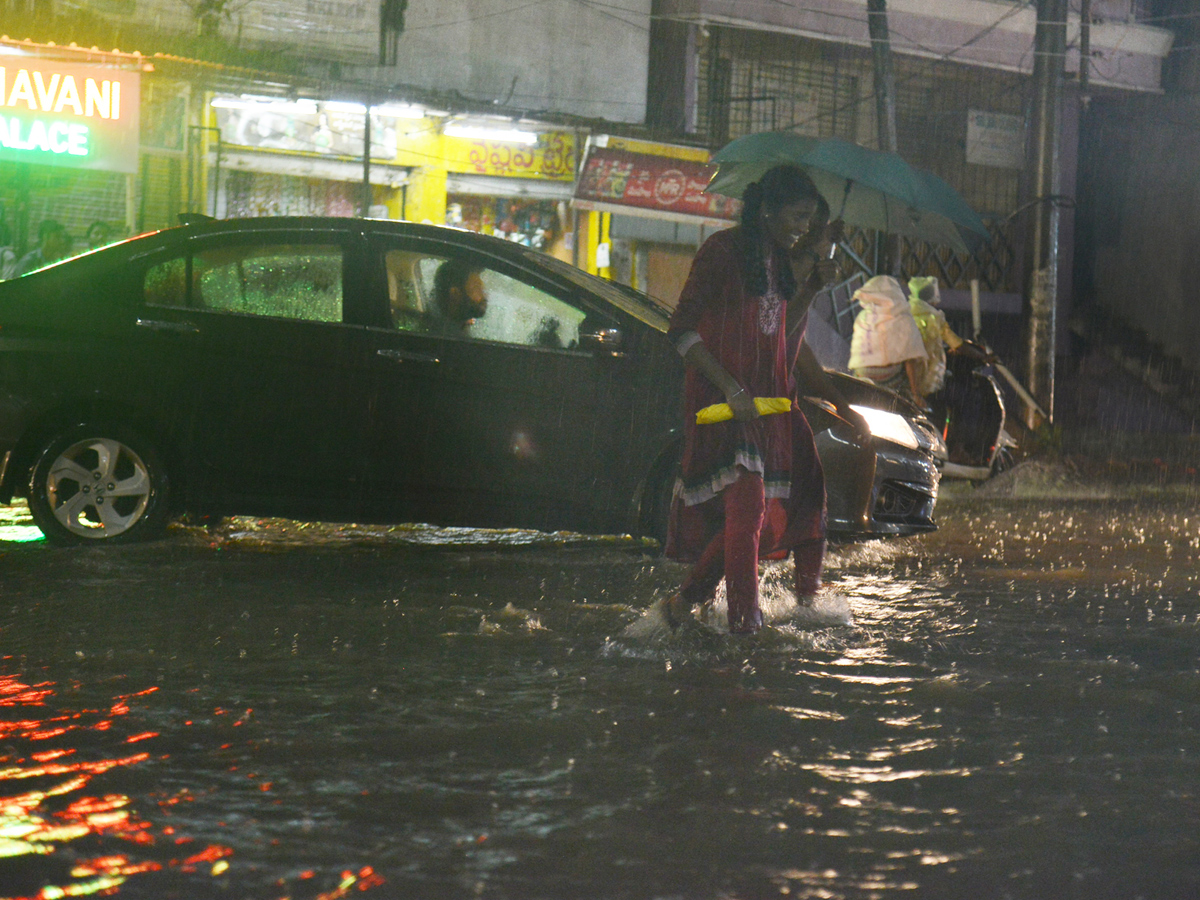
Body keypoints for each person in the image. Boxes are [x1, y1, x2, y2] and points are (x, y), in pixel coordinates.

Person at [662, 164, 868, 635]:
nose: (802, 228)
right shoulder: (720, 252)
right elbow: (680, 330)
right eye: (797, 216)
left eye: (808, 220)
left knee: (751, 514)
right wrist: (729, 386)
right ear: (767, 210)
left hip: (762, 404)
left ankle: (686, 602)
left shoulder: (777, 262)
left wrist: (814, 286)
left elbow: (782, 343)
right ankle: (746, 629)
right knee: (749, 510)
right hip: (721, 400)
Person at [847, 275, 926, 404]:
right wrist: (916, 394)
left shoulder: (862, 317)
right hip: (890, 380)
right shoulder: (903, 319)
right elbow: (910, 359)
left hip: (861, 377)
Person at [430, 258, 488, 334]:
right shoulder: (445, 336)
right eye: (476, 288)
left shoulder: (446, 326)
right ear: (455, 294)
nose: (484, 295)